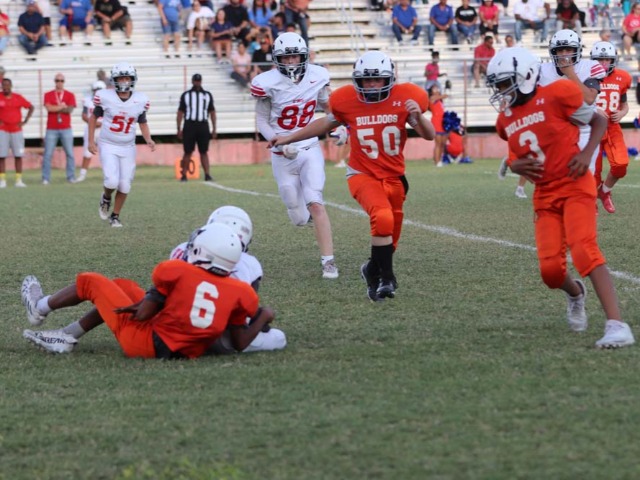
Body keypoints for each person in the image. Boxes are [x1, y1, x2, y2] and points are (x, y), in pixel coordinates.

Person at [487, 46, 635, 349]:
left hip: (575, 183)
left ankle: (617, 325)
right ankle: (576, 293)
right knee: (551, 273)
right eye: (498, 85)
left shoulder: (557, 94)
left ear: (526, 76)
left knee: (584, 249)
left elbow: (599, 121)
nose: (501, 91)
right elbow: (519, 148)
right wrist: (514, 164)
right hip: (545, 195)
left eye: (504, 83)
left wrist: (586, 153)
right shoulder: (505, 119)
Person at [270, 50, 436, 300]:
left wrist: (418, 117)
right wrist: (289, 138)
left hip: (394, 176)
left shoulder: (406, 98)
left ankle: (372, 269)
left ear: (389, 78)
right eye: (366, 80)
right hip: (362, 173)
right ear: (358, 80)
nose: (372, 85)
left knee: (390, 232)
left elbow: (429, 135)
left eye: (377, 79)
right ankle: (387, 279)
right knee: (382, 217)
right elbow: (325, 123)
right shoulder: (347, 100)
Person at [21, 223, 275, 359]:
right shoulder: (241, 292)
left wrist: (146, 303)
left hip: (146, 344)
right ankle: (67, 336)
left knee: (91, 281)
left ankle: (39, 307)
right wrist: (265, 315)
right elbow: (240, 343)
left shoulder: (176, 270)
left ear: (203, 251)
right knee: (123, 285)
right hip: (184, 350)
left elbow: (143, 315)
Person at [251, 32, 339, 280]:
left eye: (295, 56)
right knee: (297, 212)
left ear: (304, 56)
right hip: (282, 153)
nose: (291, 62)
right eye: (286, 57)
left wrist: (340, 128)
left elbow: (329, 107)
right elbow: (262, 120)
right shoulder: (267, 82)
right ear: (277, 59)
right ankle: (302, 215)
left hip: (309, 147)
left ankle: (328, 262)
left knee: (315, 201)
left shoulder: (317, 76)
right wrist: (277, 142)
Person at [89, 62, 156, 228]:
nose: (125, 81)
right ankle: (106, 197)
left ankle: (115, 216)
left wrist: (148, 139)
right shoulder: (105, 96)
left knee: (125, 185)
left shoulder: (140, 99)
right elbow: (93, 118)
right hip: (108, 144)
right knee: (111, 181)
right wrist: (91, 141)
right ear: (115, 79)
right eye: (121, 78)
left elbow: (142, 122)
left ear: (133, 79)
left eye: (127, 77)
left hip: (128, 146)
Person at [539, 29, 606, 173]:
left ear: (577, 50)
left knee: (584, 175)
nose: (564, 54)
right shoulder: (542, 70)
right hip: (555, 131)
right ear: (554, 52)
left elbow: (589, 99)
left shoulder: (589, 67)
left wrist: (570, 74)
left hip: (584, 130)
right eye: (560, 50)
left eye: (568, 49)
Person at [590, 41, 632, 214]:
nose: (604, 63)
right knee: (593, 171)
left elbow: (625, 105)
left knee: (621, 164)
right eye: (600, 59)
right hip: (592, 128)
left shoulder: (622, 77)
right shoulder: (586, 76)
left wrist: (622, 113)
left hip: (612, 126)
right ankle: (591, 200)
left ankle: (605, 191)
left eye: (607, 59)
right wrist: (594, 110)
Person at [177, 73, 216, 182]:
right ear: (192, 81)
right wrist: (178, 128)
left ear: (201, 81)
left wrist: (214, 128)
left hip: (203, 124)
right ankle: (184, 175)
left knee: (204, 151)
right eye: (195, 81)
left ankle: (207, 174)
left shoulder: (207, 95)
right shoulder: (186, 95)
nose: (197, 83)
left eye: (198, 81)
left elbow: (212, 112)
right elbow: (180, 112)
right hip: (190, 124)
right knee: (187, 151)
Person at [42, 73, 77, 185]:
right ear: (54, 81)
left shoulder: (70, 94)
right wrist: (62, 107)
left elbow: (70, 109)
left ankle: (71, 176)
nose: (59, 83)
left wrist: (56, 108)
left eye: (61, 80)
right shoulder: (48, 94)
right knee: (48, 154)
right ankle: (45, 178)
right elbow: (49, 108)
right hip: (51, 128)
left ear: (64, 82)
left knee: (70, 153)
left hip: (66, 128)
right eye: (57, 80)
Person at [0, 79, 34, 188]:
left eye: (7, 85)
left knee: (18, 155)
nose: (5, 87)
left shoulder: (18, 97)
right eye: (3, 85)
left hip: (16, 130)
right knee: (1, 156)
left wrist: (25, 121)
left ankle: (18, 180)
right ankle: (2, 180)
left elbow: (31, 107)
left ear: (11, 86)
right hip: (2, 130)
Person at [78, 80, 106, 183]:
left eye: (99, 90)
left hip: (103, 129)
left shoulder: (107, 101)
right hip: (91, 129)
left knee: (105, 153)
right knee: (87, 152)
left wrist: (102, 124)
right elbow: (84, 115)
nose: (97, 92)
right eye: (96, 90)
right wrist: (93, 123)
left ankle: (108, 174)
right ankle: (82, 174)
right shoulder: (88, 100)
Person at [427, 84, 447, 166]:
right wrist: (443, 95)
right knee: (438, 143)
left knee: (442, 143)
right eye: (434, 89)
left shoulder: (439, 100)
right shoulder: (432, 98)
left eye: (437, 88)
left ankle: (439, 159)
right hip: (436, 123)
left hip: (442, 122)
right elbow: (444, 96)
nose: (436, 90)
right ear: (431, 91)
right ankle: (437, 161)